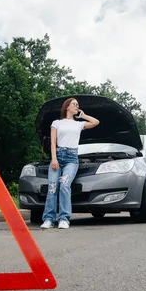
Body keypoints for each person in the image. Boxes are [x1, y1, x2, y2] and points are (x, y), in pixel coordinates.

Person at [41, 97, 99, 229]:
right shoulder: (56, 123)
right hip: (58, 156)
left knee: (64, 185)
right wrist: (54, 159)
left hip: (72, 159)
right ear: (67, 107)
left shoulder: (78, 124)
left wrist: (83, 115)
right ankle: (48, 219)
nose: (77, 106)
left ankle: (64, 219)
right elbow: (53, 142)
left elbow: (96, 122)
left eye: (78, 105)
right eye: (74, 104)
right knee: (52, 187)